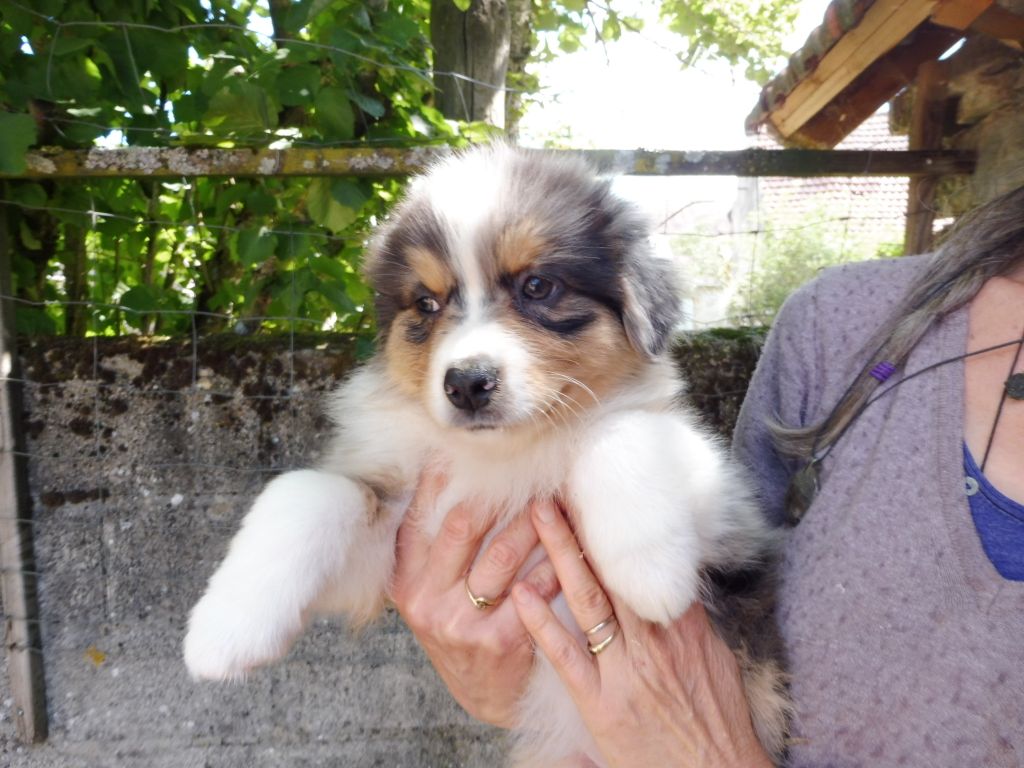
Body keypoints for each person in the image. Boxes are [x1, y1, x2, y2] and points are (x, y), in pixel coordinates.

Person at [389, 182, 1024, 767]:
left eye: (536, 288)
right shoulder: (843, 326)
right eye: (428, 303)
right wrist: (517, 684)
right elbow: (715, 576)